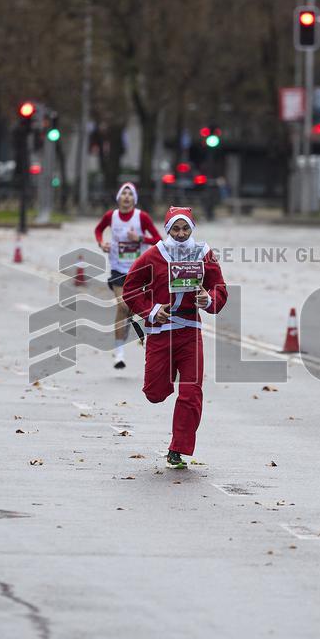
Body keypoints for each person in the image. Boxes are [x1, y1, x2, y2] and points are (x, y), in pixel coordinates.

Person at [122, 206, 227, 469]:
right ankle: (163, 382)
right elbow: (130, 287)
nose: (181, 234)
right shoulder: (154, 255)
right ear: (168, 229)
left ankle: (177, 449)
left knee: (191, 392)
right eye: (176, 229)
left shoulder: (204, 254)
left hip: (190, 332)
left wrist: (209, 299)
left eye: (185, 228)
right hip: (161, 333)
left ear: (192, 228)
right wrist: (151, 311)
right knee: (154, 393)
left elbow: (219, 288)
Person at [93, 182, 162, 369]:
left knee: (128, 310)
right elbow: (98, 230)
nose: (126, 197)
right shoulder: (111, 216)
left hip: (139, 270)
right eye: (123, 193)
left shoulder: (142, 217)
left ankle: (127, 334)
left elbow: (158, 239)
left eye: (130, 194)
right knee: (123, 305)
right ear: (118, 197)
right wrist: (102, 243)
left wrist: (140, 238)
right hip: (118, 268)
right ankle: (119, 354)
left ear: (134, 199)